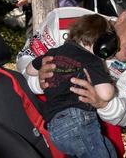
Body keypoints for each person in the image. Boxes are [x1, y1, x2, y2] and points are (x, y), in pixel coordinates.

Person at [16, 2, 126, 157]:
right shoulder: (64, 21)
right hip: (41, 104)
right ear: (123, 17)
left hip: (90, 116)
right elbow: (24, 59)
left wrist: (103, 103)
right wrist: (39, 81)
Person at [26, 14, 118, 158]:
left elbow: (29, 69)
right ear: (103, 42)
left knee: (108, 150)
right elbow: (105, 94)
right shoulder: (92, 59)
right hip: (78, 121)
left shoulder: (55, 52)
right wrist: (112, 85)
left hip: (54, 126)